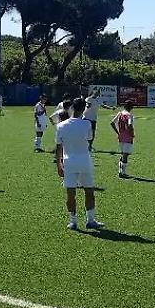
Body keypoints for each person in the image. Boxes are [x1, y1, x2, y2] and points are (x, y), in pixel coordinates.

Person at [55, 97, 102, 230]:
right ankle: (91, 220)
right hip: (84, 161)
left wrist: (59, 164)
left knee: (70, 194)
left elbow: (58, 147)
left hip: (68, 162)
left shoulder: (60, 126)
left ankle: (73, 221)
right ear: (84, 109)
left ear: (72, 108)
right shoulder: (87, 124)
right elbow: (89, 138)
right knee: (89, 191)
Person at [111, 100, 135, 178]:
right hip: (127, 136)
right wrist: (131, 133)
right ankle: (123, 173)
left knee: (123, 154)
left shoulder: (120, 113)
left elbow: (112, 123)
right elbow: (130, 124)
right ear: (131, 107)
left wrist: (118, 132)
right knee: (125, 155)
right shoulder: (129, 115)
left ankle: (120, 171)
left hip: (121, 136)